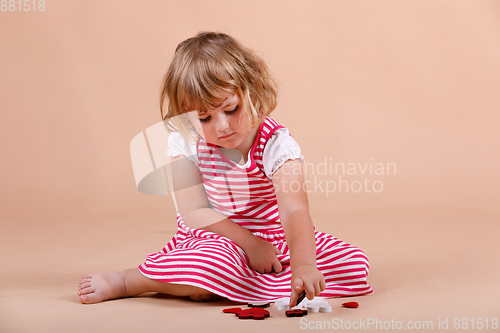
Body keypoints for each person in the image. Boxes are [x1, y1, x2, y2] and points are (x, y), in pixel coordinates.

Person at [78, 31, 373, 306]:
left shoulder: (275, 144)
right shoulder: (185, 142)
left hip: (273, 238)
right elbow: (193, 212)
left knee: (353, 263)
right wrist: (249, 244)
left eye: (231, 110)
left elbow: (294, 211)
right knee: (213, 264)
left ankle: (212, 285)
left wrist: (304, 265)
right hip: (213, 238)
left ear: (252, 91)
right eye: (204, 118)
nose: (221, 127)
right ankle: (132, 281)